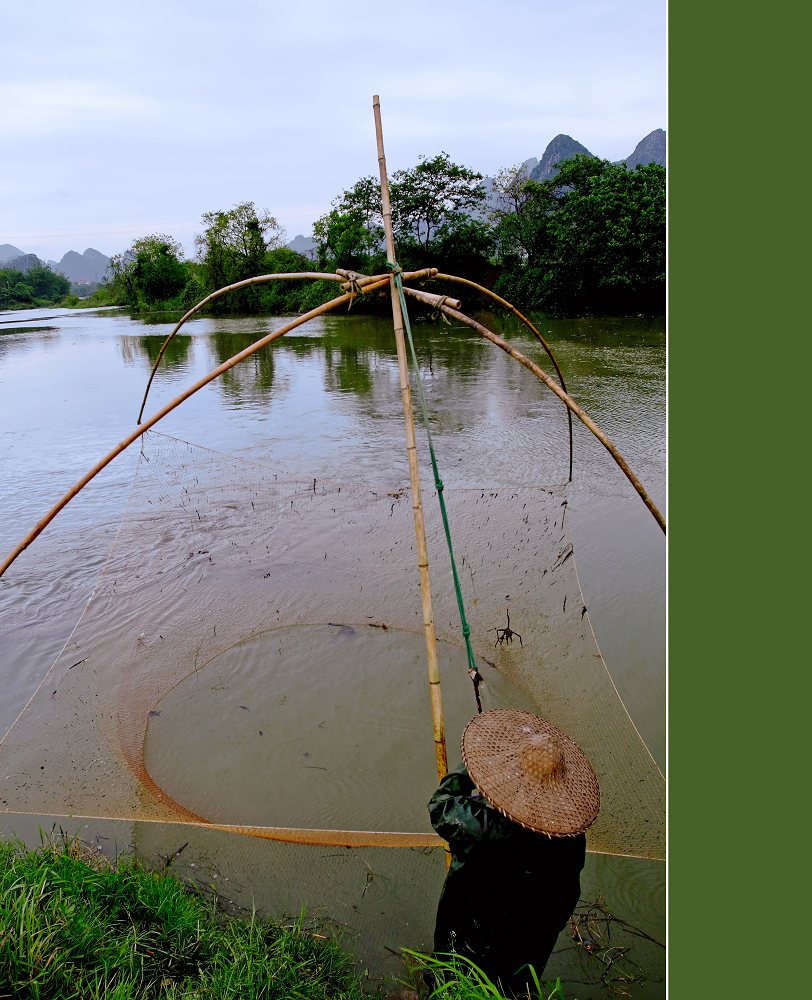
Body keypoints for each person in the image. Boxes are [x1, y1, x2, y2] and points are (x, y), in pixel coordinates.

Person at [428, 708, 601, 997]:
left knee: (454, 977)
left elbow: (441, 805)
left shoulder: (483, 827)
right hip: (534, 936)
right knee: (516, 986)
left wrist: (472, 769)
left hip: (474, 929)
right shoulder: (569, 835)